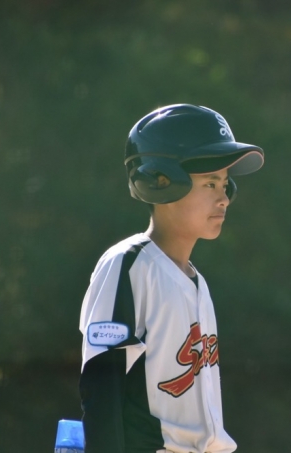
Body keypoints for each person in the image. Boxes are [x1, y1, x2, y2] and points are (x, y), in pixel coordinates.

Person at [78, 104, 264, 453]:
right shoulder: (129, 265)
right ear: (161, 181)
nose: (224, 198)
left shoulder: (197, 282)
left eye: (225, 184)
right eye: (210, 183)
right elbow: (102, 389)